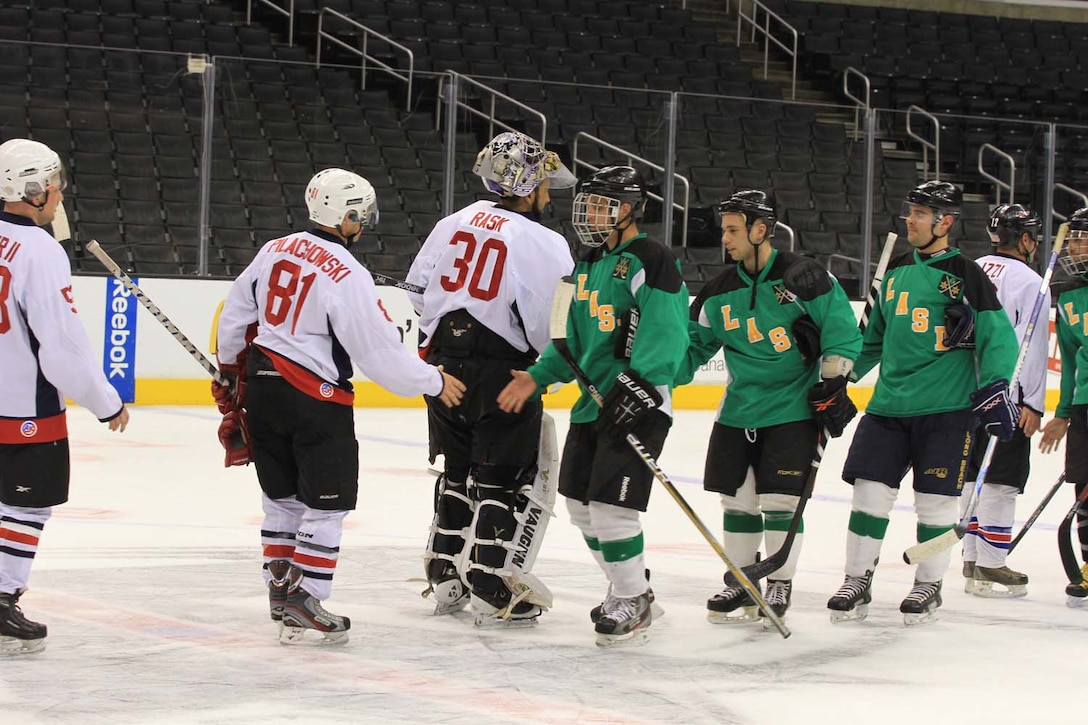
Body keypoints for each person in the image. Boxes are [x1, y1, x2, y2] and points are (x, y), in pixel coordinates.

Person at [215, 168, 465, 645]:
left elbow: (234, 315)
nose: (365, 221)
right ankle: (306, 597)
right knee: (326, 505)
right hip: (313, 398)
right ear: (347, 214)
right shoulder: (345, 271)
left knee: (281, 500)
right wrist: (432, 380)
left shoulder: (274, 249)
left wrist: (230, 369)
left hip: (264, 388)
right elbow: (376, 353)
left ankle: (280, 589)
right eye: (362, 213)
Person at [497, 165, 689, 647]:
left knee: (610, 510)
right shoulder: (586, 264)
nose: (589, 212)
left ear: (627, 209)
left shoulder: (652, 258)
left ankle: (632, 598)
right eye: (588, 202)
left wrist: (639, 386)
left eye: (601, 203)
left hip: (638, 404)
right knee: (581, 508)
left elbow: (665, 329)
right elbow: (569, 341)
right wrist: (537, 377)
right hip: (593, 406)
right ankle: (634, 589)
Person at [827, 180, 1020, 626]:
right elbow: (871, 341)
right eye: (909, 211)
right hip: (887, 408)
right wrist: (841, 379)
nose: (909, 220)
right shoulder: (894, 270)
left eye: (919, 213)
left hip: (946, 411)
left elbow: (998, 337)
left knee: (935, 504)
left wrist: (994, 386)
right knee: (868, 496)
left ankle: (927, 585)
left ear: (945, 221)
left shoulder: (966, 274)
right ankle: (857, 579)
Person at [405, 131, 575, 627]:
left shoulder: (452, 222)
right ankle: (490, 580)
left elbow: (418, 290)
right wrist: (547, 368)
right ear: (525, 185)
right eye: (542, 182)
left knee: (457, 470)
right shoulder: (544, 240)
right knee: (503, 480)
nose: (546, 192)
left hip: (443, 365)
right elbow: (553, 322)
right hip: (502, 371)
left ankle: (444, 569)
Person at [674, 190, 862, 625]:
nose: (726, 238)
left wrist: (833, 376)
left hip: (792, 410)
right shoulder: (718, 292)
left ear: (761, 230)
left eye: (734, 229)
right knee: (737, 502)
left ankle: (779, 582)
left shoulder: (805, 277)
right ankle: (742, 582)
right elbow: (691, 352)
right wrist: (651, 370)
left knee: (780, 502)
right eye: (725, 230)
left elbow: (841, 331)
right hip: (738, 411)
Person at [0, 138, 130, 655]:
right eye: (53, 185)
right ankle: (3, 596)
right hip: (25, 406)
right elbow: (60, 344)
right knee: (28, 505)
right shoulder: (39, 251)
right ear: (32, 190)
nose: (59, 193)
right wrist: (105, 401)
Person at [961, 203, 1048, 598]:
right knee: (1002, 480)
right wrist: (1032, 402)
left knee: (973, 474)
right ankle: (993, 562)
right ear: (1025, 239)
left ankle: (970, 558)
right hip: (1007, 395)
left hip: (967, 392)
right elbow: (1031, 348)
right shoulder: (1032, 282)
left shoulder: (973, 267)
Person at [1039, 207, 1088, 607]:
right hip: (1086, 407)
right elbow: (1070, 361)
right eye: (1072, 237)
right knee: (1082, 486)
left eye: (1081, 237)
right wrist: (1064, 413)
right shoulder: (1069, 295)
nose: (1073, 245)